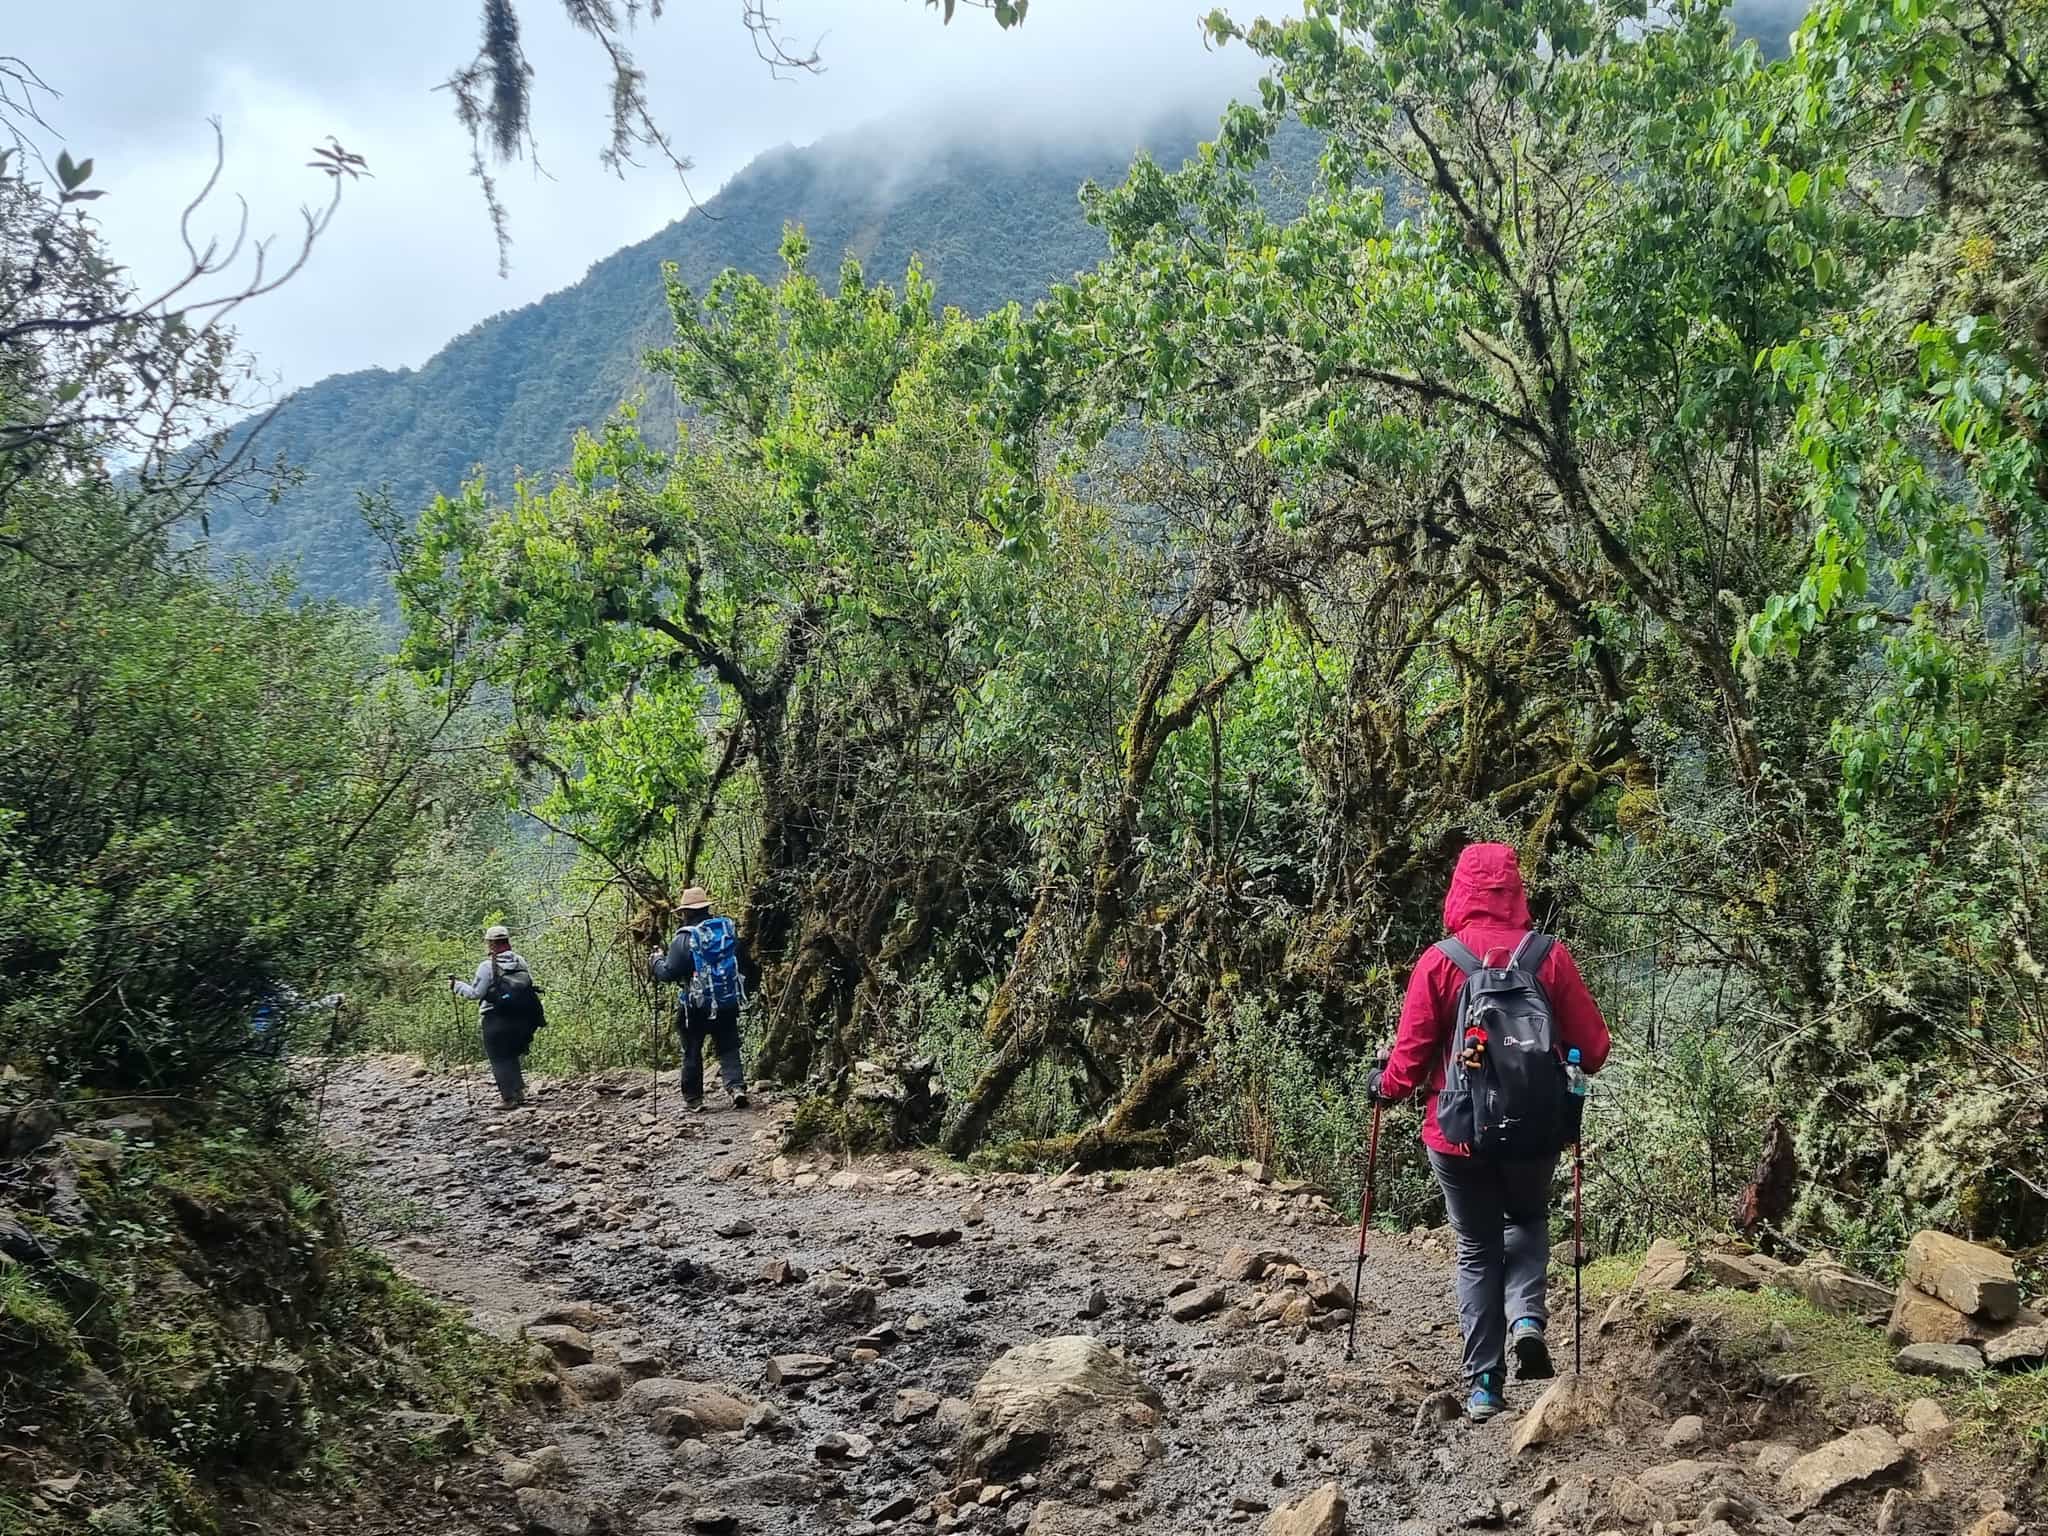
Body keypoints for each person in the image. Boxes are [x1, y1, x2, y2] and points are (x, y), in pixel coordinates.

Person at [1368, 843, 1611, 1422]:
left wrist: (1385, 1085)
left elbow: (1409, 1059)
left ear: (1459, 891)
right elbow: (1595, 1051)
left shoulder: (1441, 961)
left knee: (1477, 1248)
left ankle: (1484, 1385)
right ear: (1515, 890)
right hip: (1535, 1131)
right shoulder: (1548, 958)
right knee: (1526, 1220)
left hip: (1455, 1132)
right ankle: (1527, 1319)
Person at [649, 886, 759, 1113]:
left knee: (692, 1048)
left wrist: (656, 961)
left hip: (694, 1005)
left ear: (685, 912)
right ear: (707, 907)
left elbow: (669, 973)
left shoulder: (684, 938)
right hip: (726, 1001)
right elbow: (746, 964)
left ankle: (694, 1099)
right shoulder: (726, 931)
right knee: (728, 1045)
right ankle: (736, 1087)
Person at [451, 924, 538, 1108]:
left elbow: (475, 994)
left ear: (491, 944)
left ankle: (508, 1099)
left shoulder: (487, 966)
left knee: (498, 1058)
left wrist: (457, 986)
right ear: (507, 941)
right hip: (520, 1017)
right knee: (511, 1054)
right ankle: (519, 1092)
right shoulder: (520, 961)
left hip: (494, 1018)